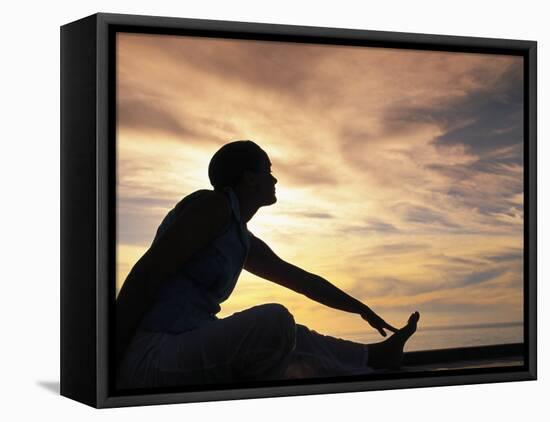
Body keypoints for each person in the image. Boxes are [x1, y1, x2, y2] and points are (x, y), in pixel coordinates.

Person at [115, 140, 420, 389]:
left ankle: (375, 356)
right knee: (275, 323)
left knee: (294, 335)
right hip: (154, 355)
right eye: (268, 171)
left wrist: (360, 308)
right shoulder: (211, 206)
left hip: (183, 346)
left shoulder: (239, 236)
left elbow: (302, 280)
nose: (274, 179)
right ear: (249, 178)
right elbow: (145, 276)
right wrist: (108, 361)